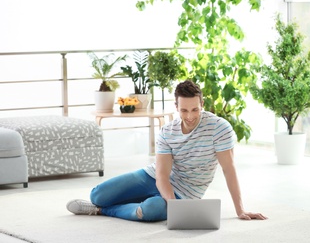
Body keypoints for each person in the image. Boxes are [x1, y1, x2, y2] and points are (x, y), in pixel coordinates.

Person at [66, 80, 267, 221]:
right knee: (97, 195)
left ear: (202, 105)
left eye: (195, 109)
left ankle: (101, 212)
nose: (190, 116)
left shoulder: (219, 128)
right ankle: (100, 205)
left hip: (186, 192)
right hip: (153, 177)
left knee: (151, 210)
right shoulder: (167, 131)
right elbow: (161, 175)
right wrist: (173, 206)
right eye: (184, 110)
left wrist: (240, 210)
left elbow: (229, 170)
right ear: (176, 107)